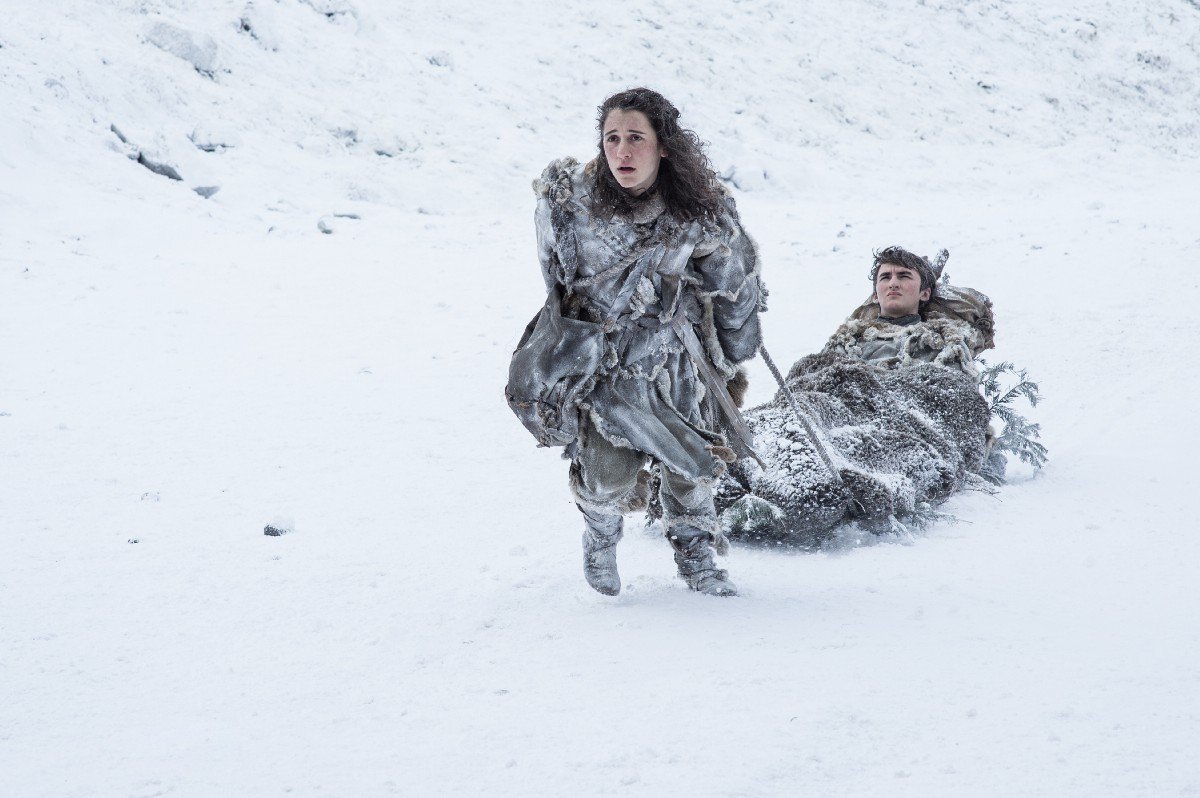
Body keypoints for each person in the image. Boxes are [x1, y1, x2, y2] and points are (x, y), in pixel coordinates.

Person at [531, 87, 765, 596]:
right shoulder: (569, 203)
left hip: (676, 360)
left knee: (693, 467)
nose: (622, 151)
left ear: (663, 146)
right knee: (607, 473)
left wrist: (732, 350)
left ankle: (697, 556)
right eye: (611, 138)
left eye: (636, 138)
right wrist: (567, 342)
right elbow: (555, 278)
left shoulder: (699, 211)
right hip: (607, 363)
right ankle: (600, 532)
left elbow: (735, 283)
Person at [715, 246, 998, 543]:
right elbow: (813, 379)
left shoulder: (943, 342)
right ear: (875, 294)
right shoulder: (846, 340)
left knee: (839, 435)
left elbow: (949, 397)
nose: (893, 283)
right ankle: (737, 469)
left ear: (925, 293)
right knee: (788, 416)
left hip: (893, 415)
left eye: (904, 276)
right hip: (832, 403)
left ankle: (807, 487)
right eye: (885, 277)